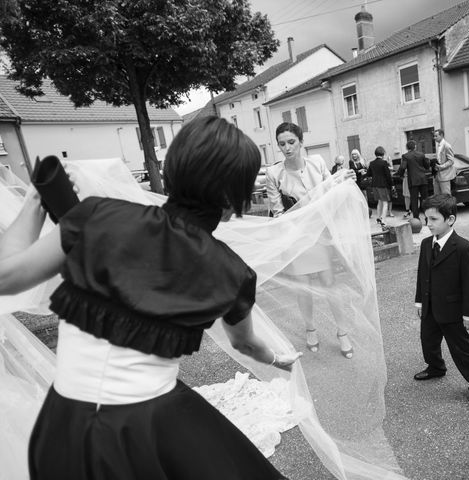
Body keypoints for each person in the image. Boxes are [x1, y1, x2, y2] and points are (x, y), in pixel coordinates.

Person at [0, 116, 301, 480]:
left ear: (174, 168)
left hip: (64, 424)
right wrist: (277, 359)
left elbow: (6, 277)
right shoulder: (232, 274)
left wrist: (36, 200)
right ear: (229, 196)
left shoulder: (96, 215)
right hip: (154, 426)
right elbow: (246, 344)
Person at [266, 122, 355, 359]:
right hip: (296, 237)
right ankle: (310, 329)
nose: (287, 147)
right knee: (303, 287)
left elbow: (331, 191)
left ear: (301, 142)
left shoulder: (317, 162)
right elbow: (278, 213)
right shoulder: (274, 174)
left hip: (322, 234)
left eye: (291, 142)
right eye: (282, 144)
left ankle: (342, 332)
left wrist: (343, 179)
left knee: (329, 282)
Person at [413, 194, 469, 411]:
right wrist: (419, 301)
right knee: (428, 340)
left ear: (450, 219)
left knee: (462, 350)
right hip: (429, 307)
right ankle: (436, 366)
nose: (428, 224)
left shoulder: (464, 248)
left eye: (434, 219)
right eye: (427, 219)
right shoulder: (427, 244)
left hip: (453, 311)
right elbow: (422, 274)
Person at [396, 140, 431, 222]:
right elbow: (426, 166)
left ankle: (416, 219)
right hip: (422, 179)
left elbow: (403, 167)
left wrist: (400, 175)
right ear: (415, 146)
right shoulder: (421, 154)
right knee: (425, 200)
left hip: (413, 180)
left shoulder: (405, 156)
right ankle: (427, 218)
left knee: (414, 200)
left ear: (407, 148)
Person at [366, 146, 394, 231]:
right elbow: (388, 175)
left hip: (374, 185)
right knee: (385, 202)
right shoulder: (384, 163)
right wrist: (392, 184)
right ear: (383, 153)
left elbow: (369, 174)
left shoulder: (371, 163)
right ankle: (383, 220)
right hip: (383, 185)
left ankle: (378, 218)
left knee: (379, 202)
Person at [433, 129, 456, 195]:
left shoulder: (447, 146)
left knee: (446, 196)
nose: (434, 138)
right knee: (437, 196)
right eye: (434, 136)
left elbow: (451, 161)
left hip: (445, 176)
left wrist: (441, 167)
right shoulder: (438, 145)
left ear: (441, 135)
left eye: (436, 136)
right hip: (437, 175)